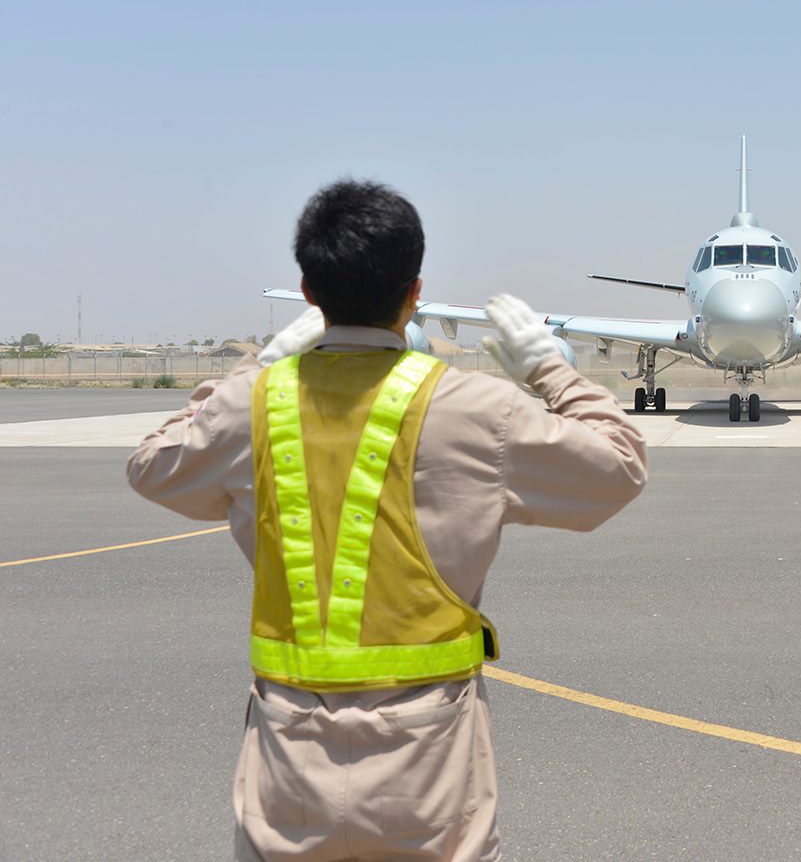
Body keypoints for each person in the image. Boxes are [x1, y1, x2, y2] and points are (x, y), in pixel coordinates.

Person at [127, 179, 647, 861]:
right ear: (414, 291)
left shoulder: (253, 403)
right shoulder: (477, 408)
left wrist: (256, 365)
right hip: (430, 746)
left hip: (289, 741)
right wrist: (551, 372)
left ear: (308, 293)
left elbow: (153, 464)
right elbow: (619, 467)